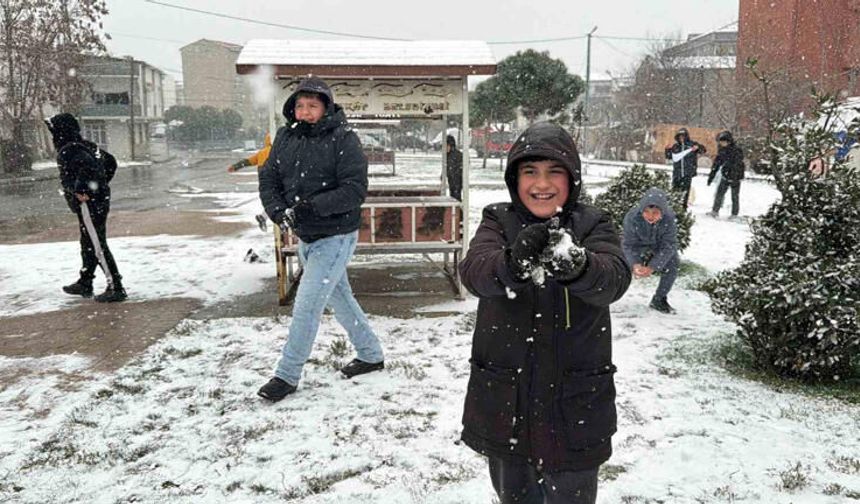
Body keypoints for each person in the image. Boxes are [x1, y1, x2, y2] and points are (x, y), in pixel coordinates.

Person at [458, 122, 631, 504]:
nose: (542, 184)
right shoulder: (498, 220)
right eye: (530, 172)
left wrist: (579, 267)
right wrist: (512, 263)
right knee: (514, 494)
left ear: (572, 179)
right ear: (514, 178)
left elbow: (615, 278)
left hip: (577, 404)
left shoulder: (592, 223)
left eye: (555, 172)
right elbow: (475, 271)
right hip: (507, 403)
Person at [256, 77, 384, 401]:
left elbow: (354, 190)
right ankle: (370, 354)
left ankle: (287, 375)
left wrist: (309, 209)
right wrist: (278, 211)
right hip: (307, 237)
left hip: (336, 235)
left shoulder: (344, 139)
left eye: (312, 105)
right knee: (340, 299)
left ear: (326, 107)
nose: (305, 111)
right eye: (300, 105)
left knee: (307, 305)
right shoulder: (285, 137)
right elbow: (268, 176)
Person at [46, 113, 127, 303]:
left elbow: (89, 166)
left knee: (96, 244)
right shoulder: (85, 145)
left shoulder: (70, 149)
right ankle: (85, 282)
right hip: (96, 201)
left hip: (89, 204)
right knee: (88, 243)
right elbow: (110, 162)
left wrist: (84, 190)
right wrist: (100, 185)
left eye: (54, 130)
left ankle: (116, 287)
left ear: (60, 131)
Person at [622, 187, 679, 314]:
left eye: (655, 213)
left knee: (673, 264)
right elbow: (628, 245)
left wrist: (653, 267)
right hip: (638, 244)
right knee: (618, 262)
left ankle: (659, 299)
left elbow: (669, 245)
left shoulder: (669, 219)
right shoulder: (632, 218)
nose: (650, 216)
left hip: (659, 244)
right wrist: (635, 264)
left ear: (662, 212)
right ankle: (608, 295)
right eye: (647, 212)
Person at [228, 132, 273, 231]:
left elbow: (248, 161)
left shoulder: (261, 153)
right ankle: (268, 218)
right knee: (280, 200)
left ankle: (264, 216)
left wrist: (235, 167)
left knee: (272, 201)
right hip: (274, 178)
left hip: (264, 180)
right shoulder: (278, 151)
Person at [707, 130, 745, 219]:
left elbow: (739, 164)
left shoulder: (737, 150)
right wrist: (711, 177)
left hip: (736, 177)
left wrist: (735, 176)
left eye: (723, 142)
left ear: (728, 141)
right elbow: (716, 164)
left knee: (734, 196)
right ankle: (715, 211)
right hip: (725, 176)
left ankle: (734, 214)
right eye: (721, 142)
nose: (722, 143)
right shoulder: (722, 150)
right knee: (719, 194)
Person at [665, 127, 706, 207]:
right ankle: (674, 206)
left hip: (688, 173)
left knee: (685, 192)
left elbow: (703, 150)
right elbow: (669, 157)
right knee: (675, 191)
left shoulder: (692, 145)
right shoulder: (675, 146)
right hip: (677, 173)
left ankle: (683, 208)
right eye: (680, 137)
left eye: (683, 136)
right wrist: (667, 150)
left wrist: (698, 147)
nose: (681, 138)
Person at [445, 134, 463, 201]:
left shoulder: (457, 155)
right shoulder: (448, 155)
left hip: (457, 181)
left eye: (446, 146)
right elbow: (446, 166)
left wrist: (454, 174)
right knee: (453, 196)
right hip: (452, 180)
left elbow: (460, 168)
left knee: (456, 197)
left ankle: (459, 210)